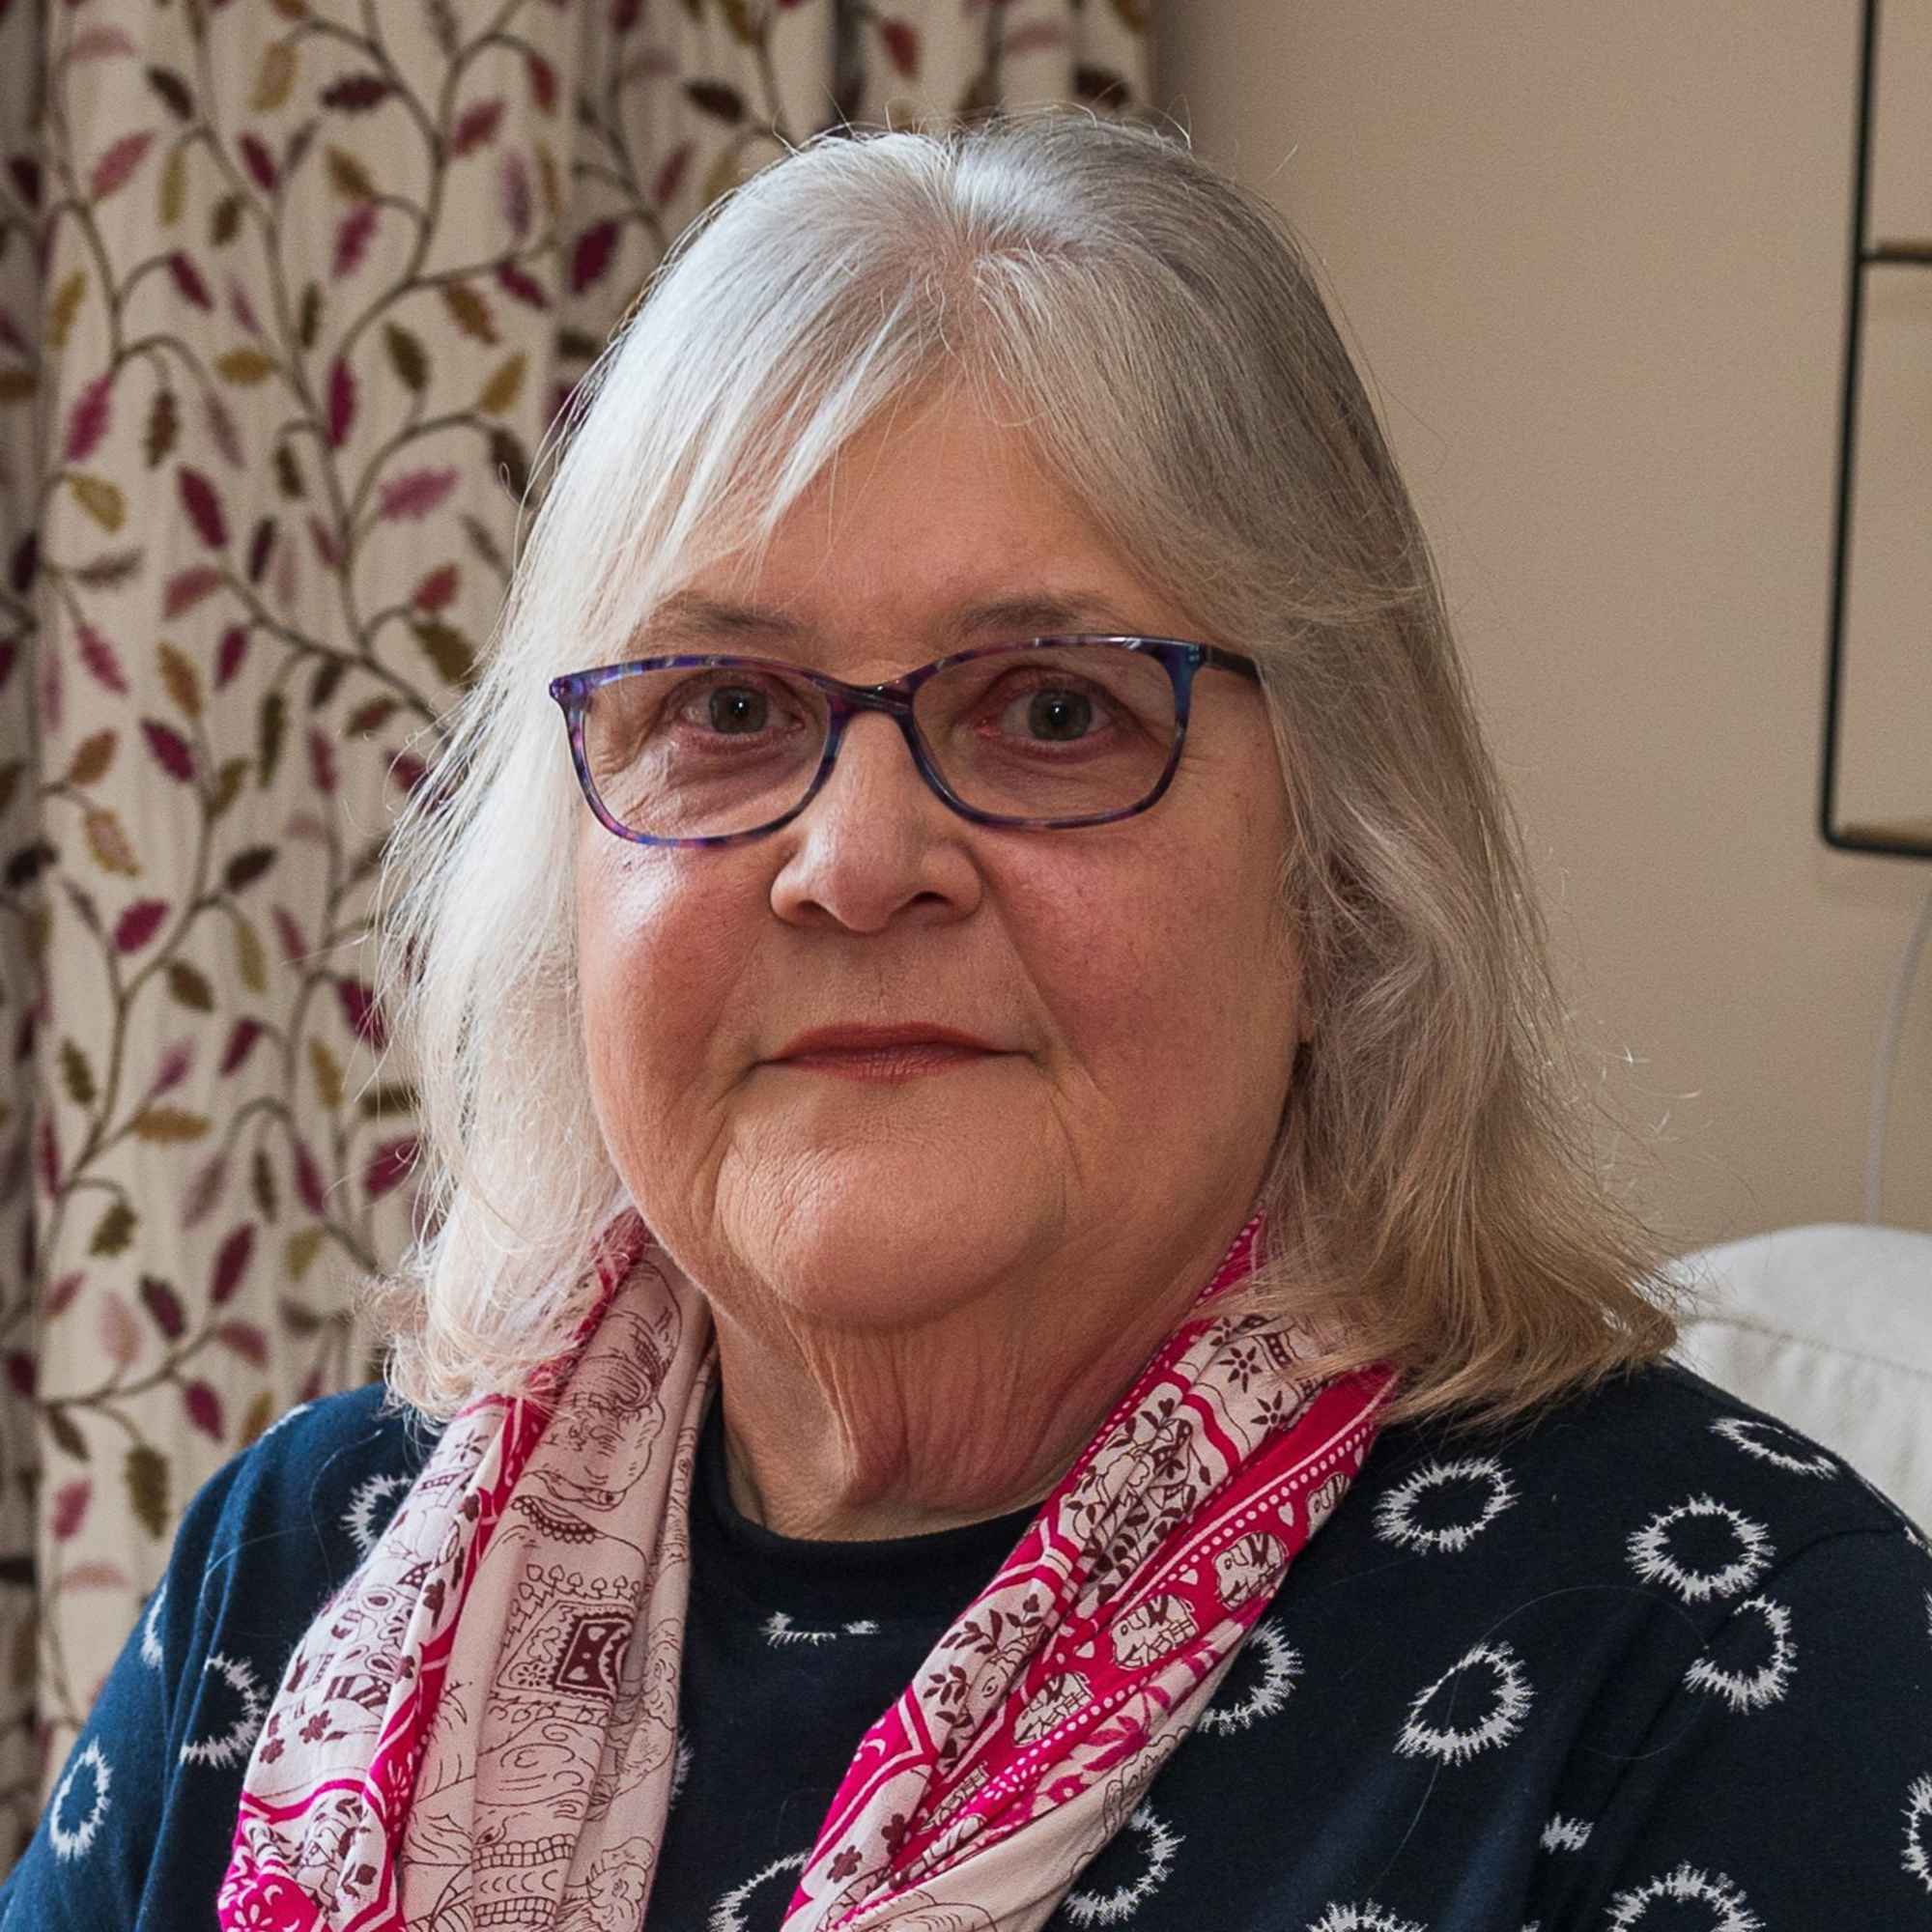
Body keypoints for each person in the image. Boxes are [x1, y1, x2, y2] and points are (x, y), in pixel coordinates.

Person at [3, 108, 1928, 1932]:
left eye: (1054, 707)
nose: (854, 858)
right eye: (726, 708)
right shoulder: (304, 1561)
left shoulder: (1729, 1660)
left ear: (1340, 871)